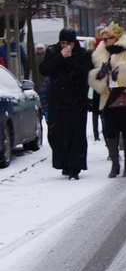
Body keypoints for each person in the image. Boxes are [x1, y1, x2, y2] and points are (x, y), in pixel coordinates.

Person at [89, 22, 126, 178]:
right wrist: (100, 74)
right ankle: (115, 164)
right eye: (103, 39)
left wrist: (120, 70)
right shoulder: (100, 53)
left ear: (115, 38)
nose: (103, 42)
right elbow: (95, 77)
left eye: (106, 39)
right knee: (111, 132)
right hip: (107, 97)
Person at [39, 27, 93, 180]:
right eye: (62, 42)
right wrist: (60, 58)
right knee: (58, 135)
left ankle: (75, 166)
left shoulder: (83, 55)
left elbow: (84, 75)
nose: (65, 46)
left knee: (76, 135)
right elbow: (44, 69)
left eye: (68, 43)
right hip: (57, 101)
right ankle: (63, 163)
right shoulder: (53, 52)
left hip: (76, 101)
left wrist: (69, 61)